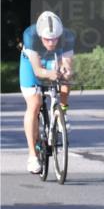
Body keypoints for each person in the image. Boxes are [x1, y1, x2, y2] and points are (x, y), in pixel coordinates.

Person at [20, 11, 75, 173]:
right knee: (35, 103)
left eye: (55, 39)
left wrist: (66, 72)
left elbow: (67, 65)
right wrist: (49, 74)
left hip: (53, 60)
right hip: (31, 65)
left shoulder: (68, 36)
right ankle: (32, 155)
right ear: (40, 35)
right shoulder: (30, 36)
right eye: (47, 39)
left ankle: (62, 114)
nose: (51, 43)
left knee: (66, 81)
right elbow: (37, 70)